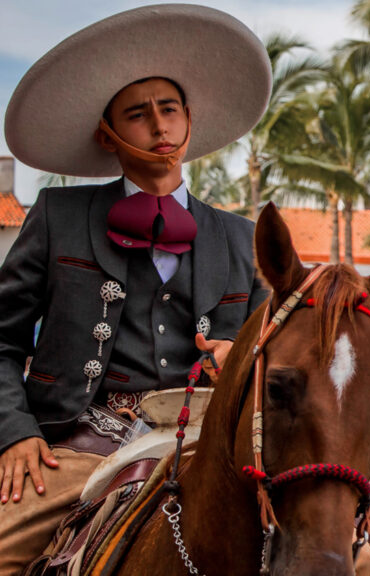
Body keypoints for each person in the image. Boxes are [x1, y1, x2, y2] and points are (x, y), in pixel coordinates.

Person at [0, 5, 271, 572]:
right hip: (75, 448)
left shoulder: (242, 238)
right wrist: (16, 436)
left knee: (350, 558)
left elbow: (275, 360)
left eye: (169, 109)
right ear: (108, 134)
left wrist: (240, 359)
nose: (158, 125)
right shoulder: (57, 215)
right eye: (138, 113)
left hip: (205, 450)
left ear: (189, 120)